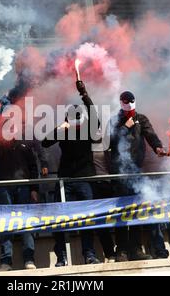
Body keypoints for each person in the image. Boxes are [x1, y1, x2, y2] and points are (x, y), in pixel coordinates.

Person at [42, 79, 101, 266]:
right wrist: (59, 128)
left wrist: (84, 94)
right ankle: (61, 256)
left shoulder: (87, 130)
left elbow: (95, 118)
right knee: (60, 219)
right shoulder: (64, 130)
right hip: (65, 180)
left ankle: (89, 253)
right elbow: (45, 142)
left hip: (84, 179)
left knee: (87, 218)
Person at [108, 91, 167, 261]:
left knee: (136, 210)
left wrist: (158, 148)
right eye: (126, 101)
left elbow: (150, 135)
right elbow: (110, 141)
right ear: (121, 102)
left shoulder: (141, 118)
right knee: (122, 212)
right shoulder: (115, 120)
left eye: (131, 101)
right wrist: (125, 126)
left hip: (136, 171)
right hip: (120, 172)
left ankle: (136, 248)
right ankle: (121, 250)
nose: (129, 103)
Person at [0, 119, 39, 271]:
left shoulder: (24, 145)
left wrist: (34, 189)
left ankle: (29, 259)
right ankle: (6, 262)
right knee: (6, 224)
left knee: (26, 222)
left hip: (24, 187)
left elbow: (34, 168)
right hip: (4, 188)